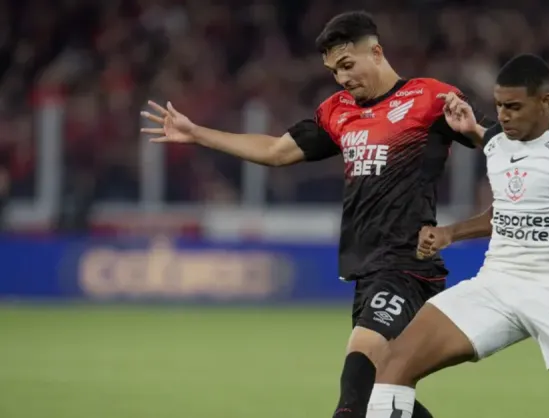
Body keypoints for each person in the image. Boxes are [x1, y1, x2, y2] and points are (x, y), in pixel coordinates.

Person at [140, 10, 490, 418]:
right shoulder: (338, 111)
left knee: (354, 389)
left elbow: (498, 141)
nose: (342, 78)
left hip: (407, 266)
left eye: (347, 65)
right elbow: (276, 151)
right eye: (334, 71)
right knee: (380, 393)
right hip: (366, 270)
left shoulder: (428, 97)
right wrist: (197, 133)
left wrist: (476, 133)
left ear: (376, 53)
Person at [365, 54, 549, 418]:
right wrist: (450, 233)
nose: (503, 115)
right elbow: (504, 212)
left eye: (514, 107)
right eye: (499, 105)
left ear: (545, 101)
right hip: (496, 283)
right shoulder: (497, 142)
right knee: (394, 364)